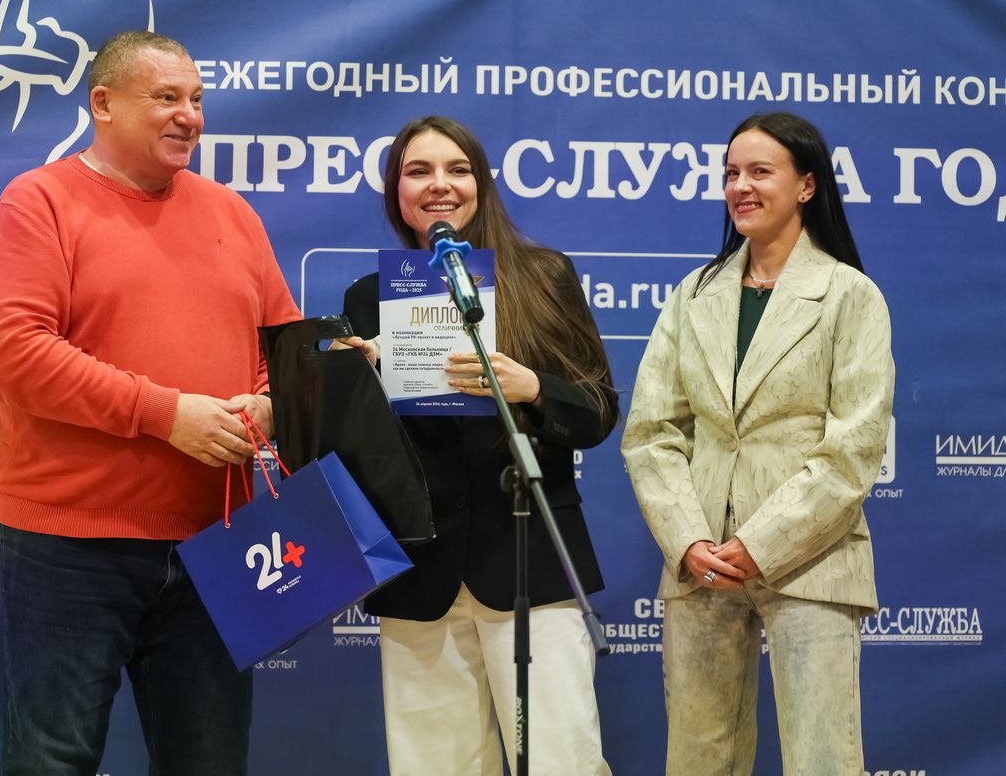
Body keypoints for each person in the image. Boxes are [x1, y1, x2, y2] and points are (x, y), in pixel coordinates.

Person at [0, 30, 300, 774]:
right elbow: (14, 352)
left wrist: (269, 403)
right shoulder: (38, 203)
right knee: (51, 761)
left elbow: (280, 348)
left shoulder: (233, 214)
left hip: (217, 541)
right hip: (68, 546)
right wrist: (166, 415)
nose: (190, 116)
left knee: (210, 763)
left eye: (197, 99)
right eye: (167, 97)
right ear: (103, 104)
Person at [338, 116, 618, 776]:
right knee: (434, 764)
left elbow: (599, 411)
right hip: (417, 569)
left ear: (482, 184)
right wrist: (356, 386)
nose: (440, 185)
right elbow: (359, 449)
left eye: (457, 170)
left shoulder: (544, 276)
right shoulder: (368, 297)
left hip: (528, 560)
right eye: (418, 171)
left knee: (560, 759)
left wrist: (533, 389)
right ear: (396, 191)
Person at [621, 111, 894, 775]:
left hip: (814, 559)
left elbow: (853, 450)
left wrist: (760, 544)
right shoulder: (693, 295)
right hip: (701, 565)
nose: (740, 186)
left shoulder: (850, 295)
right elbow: (652, 433)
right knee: (698, 758)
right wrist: (690, 542)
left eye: (759, 172)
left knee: (821, 759)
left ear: (806, 185)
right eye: (731, 173)